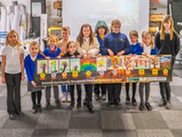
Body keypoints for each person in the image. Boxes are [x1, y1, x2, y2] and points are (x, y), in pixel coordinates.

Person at [101, 19, 130, 107]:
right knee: (110, 81)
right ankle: (110, 100)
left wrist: (123, 51)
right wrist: (108, 50)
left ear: (120, 27)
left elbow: (128, 49)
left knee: (118, 81)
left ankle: (117, 99)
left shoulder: (124, 37)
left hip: (120, 63)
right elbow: (103, 48)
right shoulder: (107, 37)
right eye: (115, 27)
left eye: (118, 27)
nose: (116, 28)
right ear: (111, 27)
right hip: (109, 62)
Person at [155, 15, 180, 109]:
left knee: (167, 81)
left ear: (171, 23)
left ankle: (168, 100)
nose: (166, 24)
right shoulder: (159, 34)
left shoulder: (175, 35)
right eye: (164, 23)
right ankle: (163, 99)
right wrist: (160, 54)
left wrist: (172, 57)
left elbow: (177, 48)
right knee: (161, 80)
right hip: (160, 59)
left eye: (167, 23)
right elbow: (157, 46)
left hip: (170, 61)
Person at [1, 30, 24, 120]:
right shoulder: (5, 49)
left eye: (14, 36)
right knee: (10, 93)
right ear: (8, 39)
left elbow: (22, 62)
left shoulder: (20, 48)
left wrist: (22, 74)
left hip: (17, 73)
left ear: (17, 37)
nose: (13, 38)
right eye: (11, 37)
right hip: (8, 73)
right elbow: (3, 63)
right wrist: (2, 76)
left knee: (17, 92)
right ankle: (11, 111)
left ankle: (18, 109)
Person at [76, 24, 100, 113]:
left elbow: (97, 48)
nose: (86, 32)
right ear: (82, 31)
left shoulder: (94, 39)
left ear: (90, 31)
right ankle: (86, 98)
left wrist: (90, 53)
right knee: (84, 81)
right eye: (85, 31)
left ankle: (90, 101)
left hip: (91, 62)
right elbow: (77, 47)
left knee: (89, 81)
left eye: (88, 30)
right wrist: (84, 53)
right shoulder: (79, 39)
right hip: (82, 62)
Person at [24, 41, 46, 114]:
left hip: (39, 77)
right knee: (33, 91)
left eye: (36, 49)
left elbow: (44, 66)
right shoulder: (27, 59)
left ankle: (39, 104)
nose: (34, 50)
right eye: (32, 49)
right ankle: (34, 105)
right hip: (31, 78)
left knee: (39, 91)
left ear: (38, 49)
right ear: (29, 49)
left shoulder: (40, 56)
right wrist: (31, 80)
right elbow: (27, 70)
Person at [138, 31, 157, 111]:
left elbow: (155, 56)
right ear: (142, 38)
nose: (147, 40)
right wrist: (141, 53)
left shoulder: (153, 47)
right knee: (141, 84)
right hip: (141, 68)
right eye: (145, 38)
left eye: (148, 38)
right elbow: (136, 52)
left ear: (151, 38)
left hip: (149, 69)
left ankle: (147, 102)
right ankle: (141, 102)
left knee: (147, 85)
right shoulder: (140, 45)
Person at [43, 35, 62, 110]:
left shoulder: (58, 50)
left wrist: (59, 57)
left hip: (56, 71)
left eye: (54, 41)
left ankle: (57, 99)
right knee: (48, 86)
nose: (52, 42)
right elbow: (42, 57)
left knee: (55, 85)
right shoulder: (46, 50)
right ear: (48, 42)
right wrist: (45, 57)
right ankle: (48, 100)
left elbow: (62, 56)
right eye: (51, 41)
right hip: (48, 71)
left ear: (56, 42)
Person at [125, 30, 142, 106]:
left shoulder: (139, 45)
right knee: (127, 81)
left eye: (134, 38)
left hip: (135, 66)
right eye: (131, 38)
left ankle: (133, 97)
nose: (132, 39)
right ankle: (127, 97)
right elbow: (126, 52)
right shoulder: (128, 44)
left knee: (134, 82)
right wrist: (129, 54)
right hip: (128, 66)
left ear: (137, 38)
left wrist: (135, 54)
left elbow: (141, 52)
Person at [94, 20, 109, 101]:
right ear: (97, 29)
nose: (101, 30)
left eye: (103, 28)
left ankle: (104, 93)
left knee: (104, 76)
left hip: (105, 59)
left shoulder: (108, 37)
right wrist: (98, 54)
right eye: (99, 28)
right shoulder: (94, 38)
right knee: (97, 76)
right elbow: (94, 47)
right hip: (97, 59)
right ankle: (96, 92)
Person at [63, 41, 82, 109]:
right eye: (71, 47)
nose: (73, 48)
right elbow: (63, 61)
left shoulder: (77, 54)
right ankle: (72, 102)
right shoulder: (66, 55)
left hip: (77, 75)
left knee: (79, 88)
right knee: (71, 88)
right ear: (68, 48)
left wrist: (80, 58)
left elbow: (81, 63)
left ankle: (79, 101)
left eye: (74, 46)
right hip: (70, 76)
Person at [58, 26, 71, 103]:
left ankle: (68, 93)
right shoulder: (59, 43)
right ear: (61, 33)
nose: (65, 35)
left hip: (69, 63)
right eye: (63, 33)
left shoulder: (71, 42)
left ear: (69, 34)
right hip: (61, 63)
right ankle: (64, 93)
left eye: (66, 33)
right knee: (62, 78)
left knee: (68, 78)